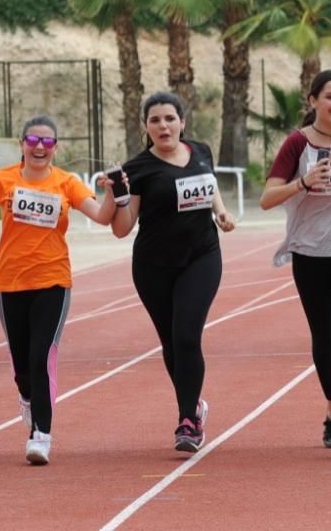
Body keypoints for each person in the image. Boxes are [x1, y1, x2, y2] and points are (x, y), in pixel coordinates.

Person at [0, 116, 118, 465]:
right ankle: (27, 396)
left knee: (41, 358)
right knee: (22, 366)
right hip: (10, 283)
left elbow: (100, 216)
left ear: (56, 148)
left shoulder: (66, 183)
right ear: (22, 144)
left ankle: (41, 435)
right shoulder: (4, 179)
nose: (40, 147)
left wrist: (112, 192)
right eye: (33, 140)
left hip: (53, 282)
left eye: (48, 142)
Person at [110, 92, 236, 453]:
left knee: (186, 336)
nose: (163, 126)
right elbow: (122, 228)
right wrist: (115, 197)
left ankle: (187, 421)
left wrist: (221, 213)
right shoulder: (137, 169)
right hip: (153, 265)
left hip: (202, 256)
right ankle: (192, 403)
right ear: (145, 127)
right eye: (155, 120)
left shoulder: (201, 151)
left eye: (169, 118)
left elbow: (210, 187)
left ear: (182, 121)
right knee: (171, 343)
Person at [259, 69, 331, 450]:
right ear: (313, 101)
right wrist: (304, 183)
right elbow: (268, 198)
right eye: (330, 97)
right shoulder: (296, 144)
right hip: (308, 246)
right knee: (323, 332)